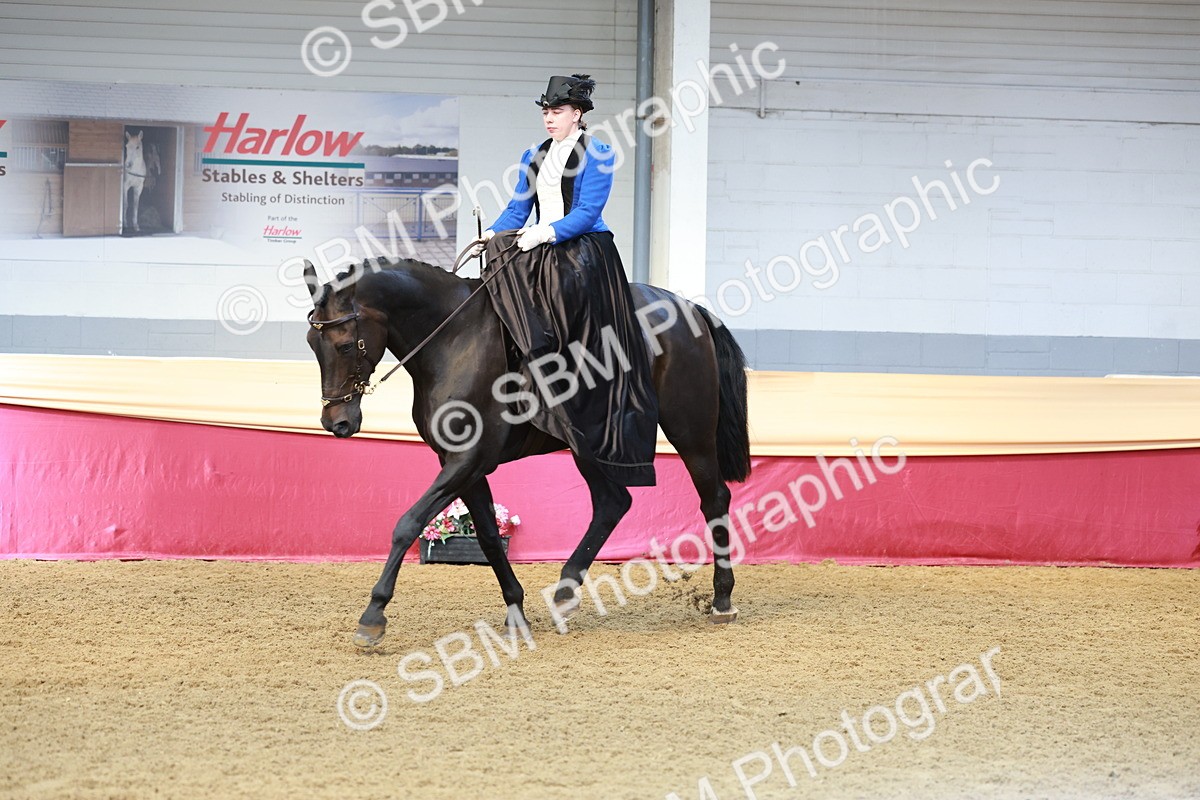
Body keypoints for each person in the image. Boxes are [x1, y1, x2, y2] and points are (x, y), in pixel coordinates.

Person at [470, 74, 658, 487]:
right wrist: (493, 234)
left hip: (583, 247)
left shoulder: (600, 152)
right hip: (539, 243)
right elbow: (518, 210)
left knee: (559, 292)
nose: (549, 118)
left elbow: (588, 212)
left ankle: (569, 376)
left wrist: (546, 232)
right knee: (496, 278)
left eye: (556, 112)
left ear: (577, 114)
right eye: (545, 112)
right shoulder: (532, 154)